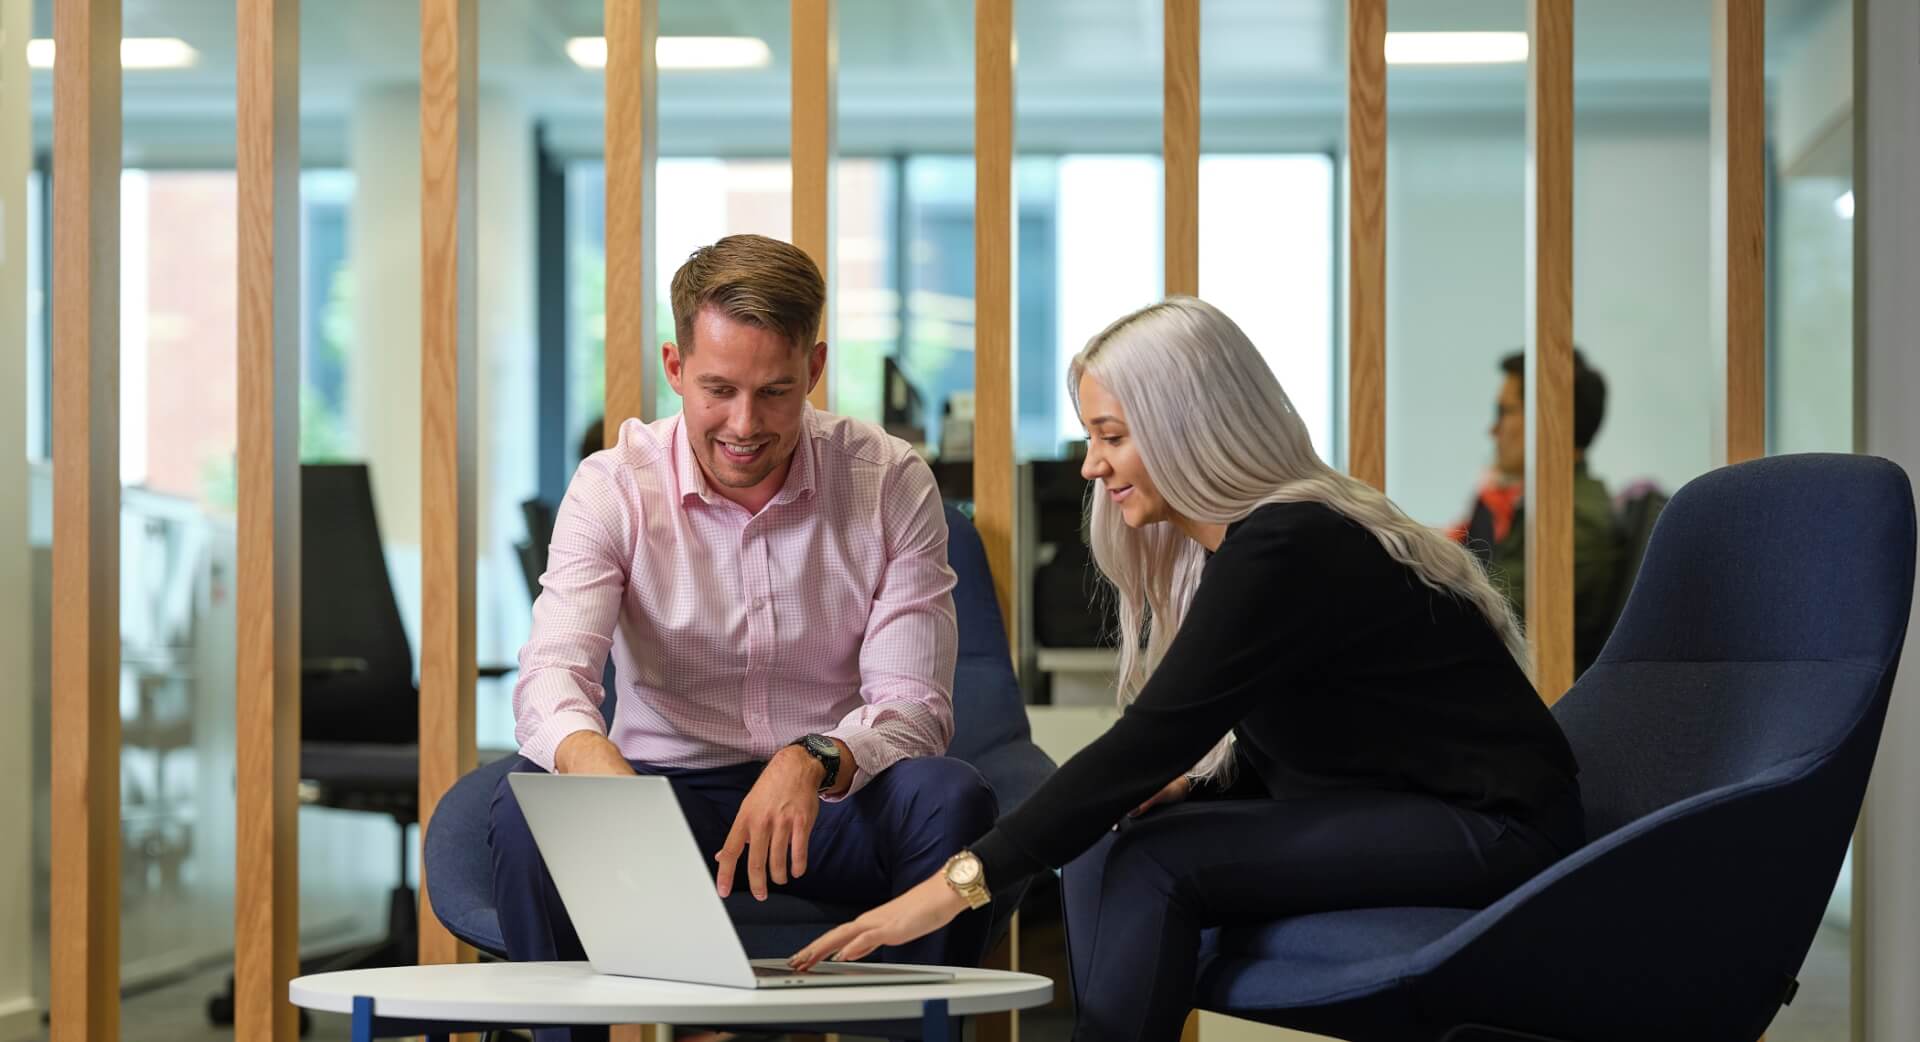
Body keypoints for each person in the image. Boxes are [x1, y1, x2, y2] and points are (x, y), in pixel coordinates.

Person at [790, 298, 1585, 1042]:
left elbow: (1149, 741)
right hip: (1411, 807)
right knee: (1111, 836)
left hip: (1497, 830)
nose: (1090, 466)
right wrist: (1193, 789)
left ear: (1185, 428)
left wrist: (953, 886)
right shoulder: (1253, 547)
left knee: (1155, 858)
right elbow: (1333, 737)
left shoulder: (1288, 544)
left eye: (1111, 435)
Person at [492, 235, 997, 1041]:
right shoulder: (613, 486)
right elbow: (552, 678)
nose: (744, 425)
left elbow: (916, 707)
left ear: (817, 368)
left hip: (832, 805)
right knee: (530, 811)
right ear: (674, 367)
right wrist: (609, 783)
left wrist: (814, 756)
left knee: (951, 797)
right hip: (665, 792)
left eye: (776, 392)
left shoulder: (890, 480)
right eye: (718, 389)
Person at [1452, 349, 1623, 675]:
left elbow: (1483, 612)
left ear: (1546, 419)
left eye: (1503, 411)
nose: (1493, 429)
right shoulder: (1550, 506)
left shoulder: (1572, 520)